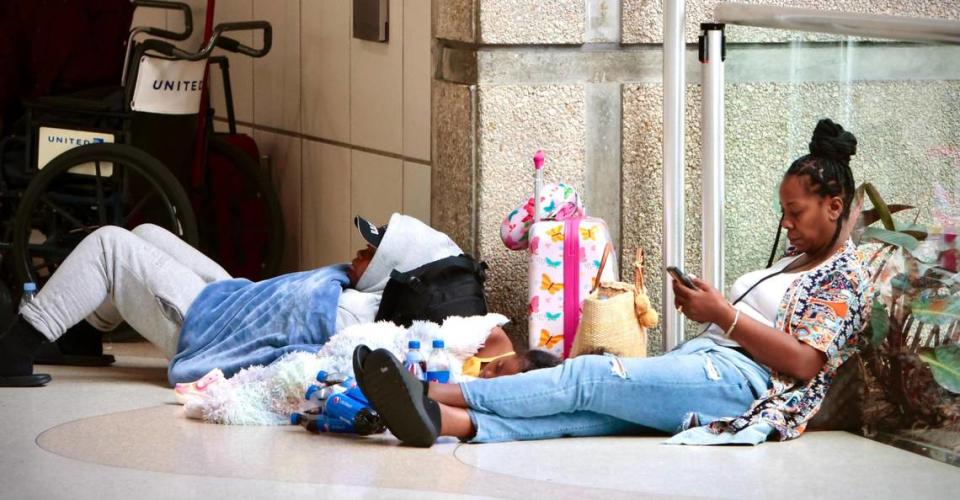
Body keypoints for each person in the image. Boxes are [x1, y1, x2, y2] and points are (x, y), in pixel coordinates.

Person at [352, 118, 875, 447]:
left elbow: (807, 362)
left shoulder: (843, 276)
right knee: (593, 410)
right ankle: (444, 422)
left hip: (744, 386)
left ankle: (427, 391)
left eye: (795, 212)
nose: (786, 223)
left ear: (834, 207)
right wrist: (708, 310)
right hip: (704, 363)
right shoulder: (793, 260)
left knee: (590, 376)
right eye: (783, 212)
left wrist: (722, 313)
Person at [0, 213, 463, 387]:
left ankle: (17, 346)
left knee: (110, 245)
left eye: (372, 251)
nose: (361, 251)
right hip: (232, 300)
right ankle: (80, 335)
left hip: (206, 327)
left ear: (390, 275)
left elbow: (286, 356)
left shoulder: (346, 314)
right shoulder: (360, 296)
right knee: (145, 234)